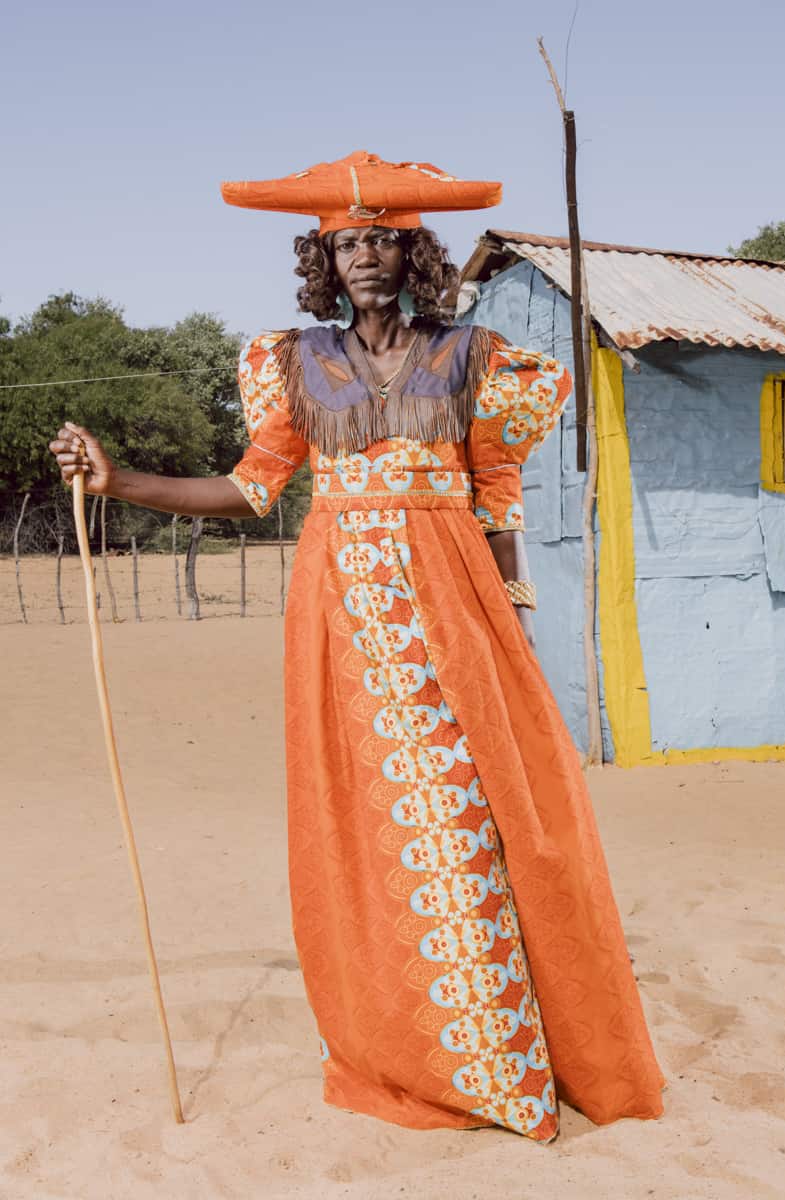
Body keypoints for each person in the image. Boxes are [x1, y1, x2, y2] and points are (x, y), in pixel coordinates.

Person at [49, 151, 664, 1142]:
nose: (366, 256)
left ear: (412, 249)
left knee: (476, 826)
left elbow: (495, 499)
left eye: (383, 236)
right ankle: (428, 1055)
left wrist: (511, 619)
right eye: (347, 241)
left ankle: (509, 1062)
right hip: (344, 628)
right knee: (388, 834)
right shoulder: (289, 363)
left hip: (455, 614)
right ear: (324, 258)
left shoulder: (475, 359)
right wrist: (121, 482)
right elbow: (250, 488)